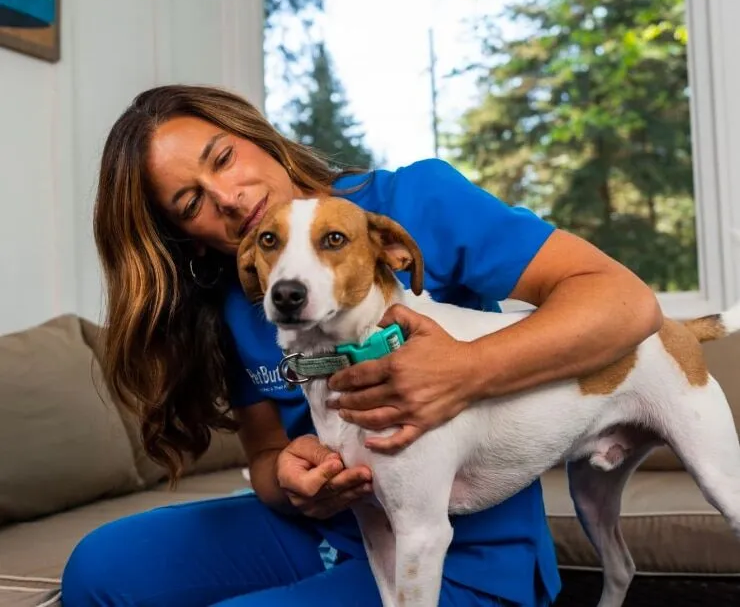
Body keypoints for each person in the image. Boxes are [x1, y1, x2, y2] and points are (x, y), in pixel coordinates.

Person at [60, 84, 662, 607]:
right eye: (191, 202)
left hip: (461, 551)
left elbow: (625, 303)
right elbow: (267, 456)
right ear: (186, 239)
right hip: (328, 531)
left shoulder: (415, 202)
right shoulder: (241, 295)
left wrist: (468, 368)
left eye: (224, 158)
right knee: (99, 571)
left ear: (256, 136)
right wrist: (289, 478)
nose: (229, 196)